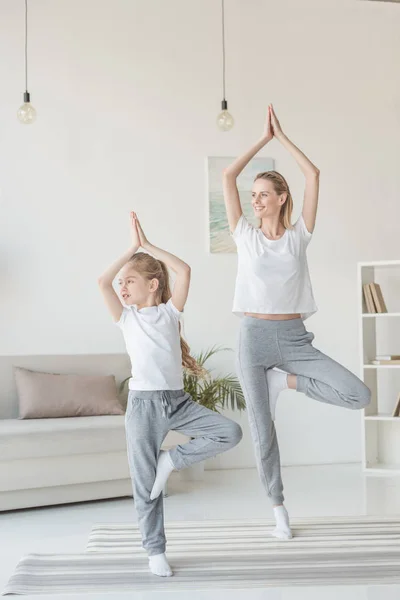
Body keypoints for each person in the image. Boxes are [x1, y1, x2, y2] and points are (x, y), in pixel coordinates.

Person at [222, 105, 371, 540]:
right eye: (254, 196)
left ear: (281, 198)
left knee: (357, 394)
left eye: (264, 193)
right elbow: (228, 177)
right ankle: (278, 507)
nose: (256, 200)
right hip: (253, 337)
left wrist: (282, 138)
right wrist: (260, 141)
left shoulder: (298, 236)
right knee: (262, 429)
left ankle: (282, 383)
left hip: (293, 340)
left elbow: (314, 175)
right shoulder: (243, 236)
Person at [98, 212, 242, 576]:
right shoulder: (126, 318)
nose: (122, 287)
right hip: (143, 407)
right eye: (122, 282)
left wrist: (146, 246)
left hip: (178, 403)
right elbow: (101, 281)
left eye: (130, 281)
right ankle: (155, 550)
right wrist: (130, 249)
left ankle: (171, 461)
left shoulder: (169, 313)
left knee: (231, 432)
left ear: (154, 284)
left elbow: (186, 270)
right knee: (145, 486)